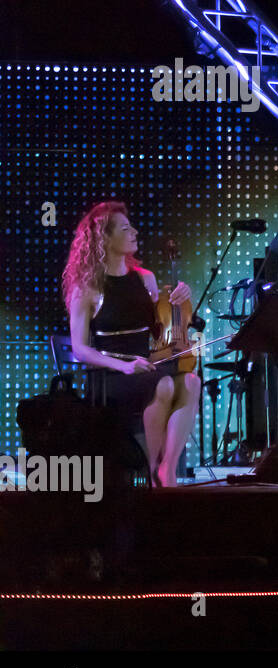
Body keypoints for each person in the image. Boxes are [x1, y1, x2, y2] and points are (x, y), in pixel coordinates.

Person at [62, 202, 200, 486]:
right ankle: (150, 470)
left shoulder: (145, 278)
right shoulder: (86, 288)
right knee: (163, 385)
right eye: (125, 228)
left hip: (148, 364)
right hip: (111, 375)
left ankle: (167, 469)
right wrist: (123, 366)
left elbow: (160, 327)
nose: (135, 232)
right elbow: (80, 349)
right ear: (105, 239)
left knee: (191, 382)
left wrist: (181, 297)